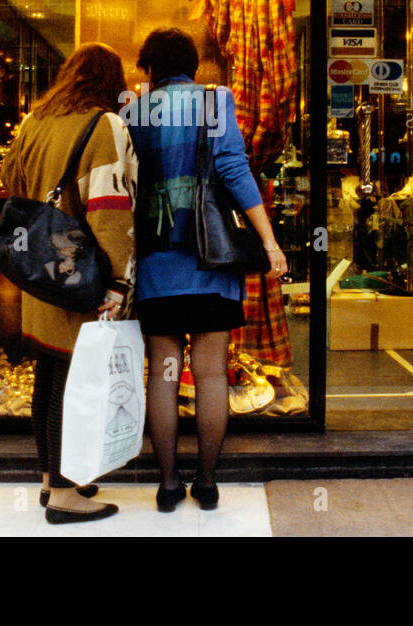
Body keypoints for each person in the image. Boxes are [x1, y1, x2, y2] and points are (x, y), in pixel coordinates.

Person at [123, 28, 287, 511]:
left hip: (157, 259)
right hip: (211, 260)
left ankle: (168, 485)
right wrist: (268, 239)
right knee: (212, 375)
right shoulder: (216, 102)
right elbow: (234, 169)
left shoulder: (134, 110)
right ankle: (209, 483)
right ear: (193, 66)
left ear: (150, 67)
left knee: (163, 376)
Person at [0, 42, 138, 525]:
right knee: (73, 383)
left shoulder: (34, 121)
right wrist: (120, 281)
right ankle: (63, 495)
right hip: (78, 273)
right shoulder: (104, 125)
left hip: (38, 271)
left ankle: (49, 477)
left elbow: (9, 178)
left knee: (49, 375)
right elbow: (108, 209)